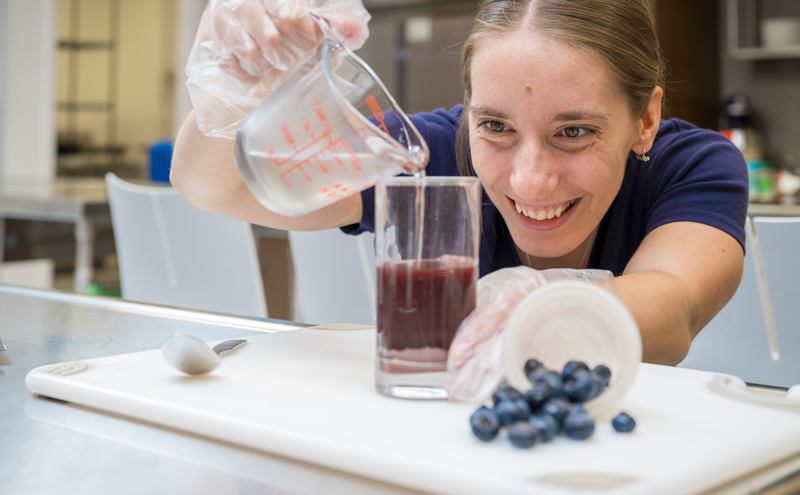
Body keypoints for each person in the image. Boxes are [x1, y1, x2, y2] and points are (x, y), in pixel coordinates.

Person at [171, 0, 749, 367]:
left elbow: (672, 312)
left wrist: (526, 303)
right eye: (495, 126)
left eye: (573, 132)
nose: (530, 179)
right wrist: (232, 89)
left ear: (644, 121)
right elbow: (213, 187)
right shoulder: (432, 153)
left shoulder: (693, 164)